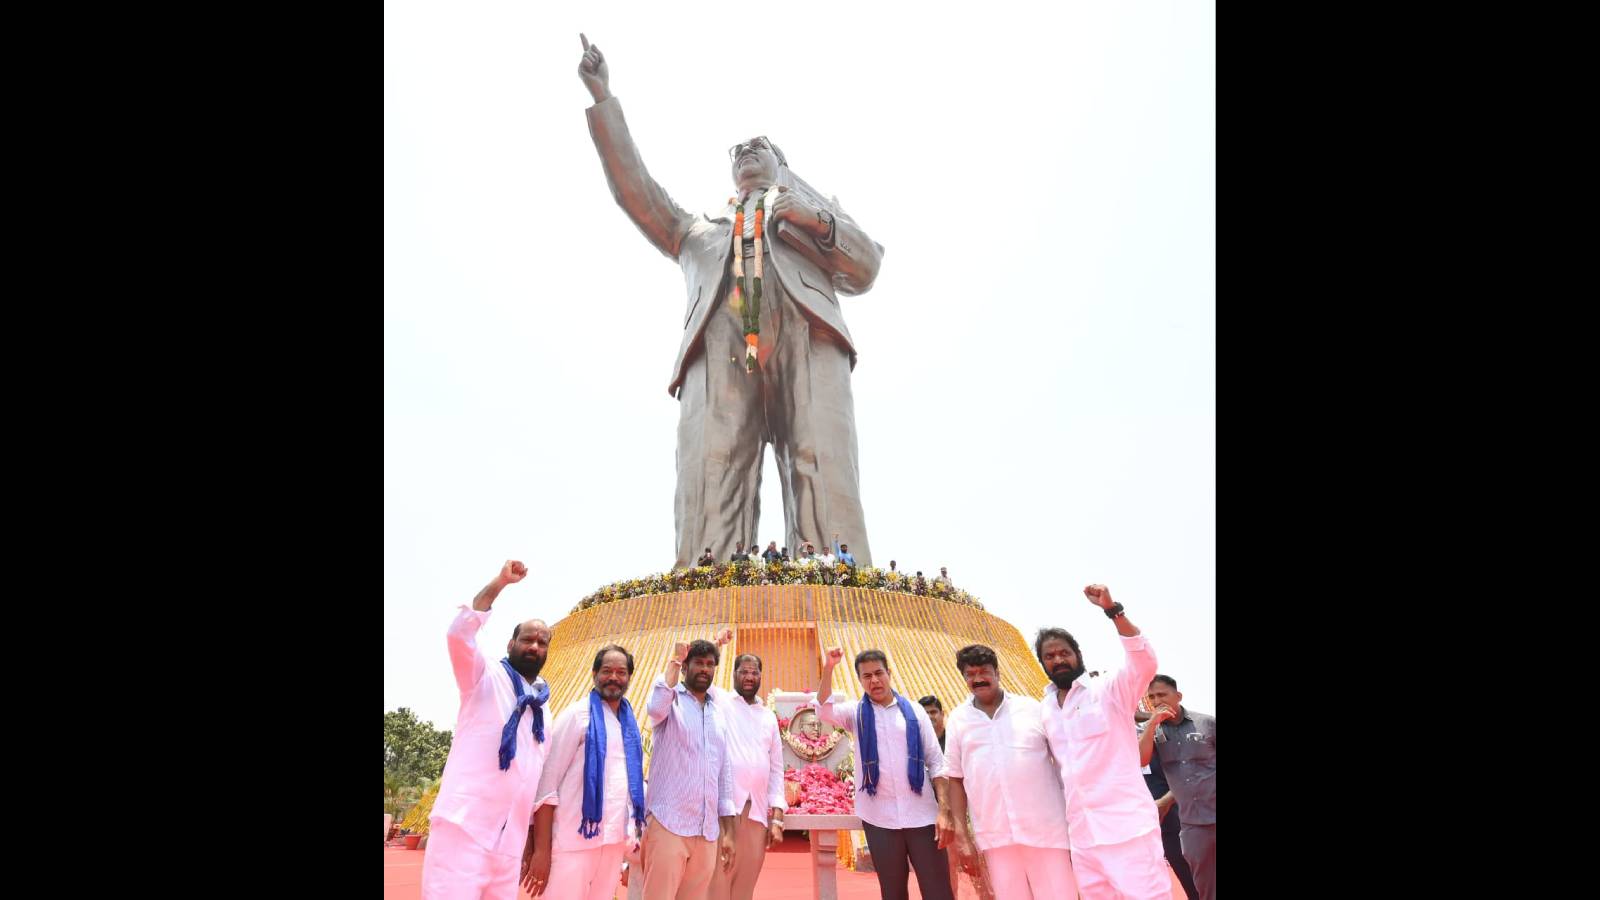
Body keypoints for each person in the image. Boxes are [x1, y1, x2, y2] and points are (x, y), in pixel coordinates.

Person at [578, 35, 884, 570]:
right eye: (737, 151)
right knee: (710, 471)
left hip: (807, 333)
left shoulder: (807, 215)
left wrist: (818, 221)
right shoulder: (696, 231)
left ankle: (838, 578)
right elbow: (636, 192)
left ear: (781, 164)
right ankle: (704, 586)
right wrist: (604, 100)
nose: (744, 153)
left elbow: (866, 267)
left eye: (757, 147)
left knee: (821, 462)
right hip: (719, 342)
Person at [423, 560, 553, 900]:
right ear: (511, 644)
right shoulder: (483, 677)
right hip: (464, 830)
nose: (535, 647)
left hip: (508, 843)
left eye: (542, 642)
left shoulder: (543, 708)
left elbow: (534, 779)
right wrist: (500, 583)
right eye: (528, 639)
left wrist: (531, 843)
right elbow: (459, 634)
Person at [1035, 585, 1171, 900]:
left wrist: (1114, 612)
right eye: (1049, 656)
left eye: (1064, 653)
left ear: (1078, 655)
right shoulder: (1046, 709)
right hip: (1084, 837)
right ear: (1043, 663)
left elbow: (1145, 662)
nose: (1058, 660)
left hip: (1128, 832)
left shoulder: (1109, 690)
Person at [817, 647, 955, 900]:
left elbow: (937, 762)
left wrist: (944, 811)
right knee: (892, 894)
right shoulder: (855, 712)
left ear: (889, 673)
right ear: (860, 681)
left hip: (922, 816)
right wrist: (829, 667)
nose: (875, 680)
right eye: (867, 676)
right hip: (879, 819)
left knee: (939, 892)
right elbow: (823, 711)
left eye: (879, 673)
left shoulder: (914, 711)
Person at [944, 644, 1074, 900]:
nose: (978, 678)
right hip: (996, 835)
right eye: (970, 674)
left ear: (997, 672)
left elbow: (1064, 763)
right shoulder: (958, 719)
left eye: (984, 671)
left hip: (1046, 829)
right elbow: (955, 780)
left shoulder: (1033, 709)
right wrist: (962, 837)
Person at [522, 645, 645, 900]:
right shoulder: (577, 715)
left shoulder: (630, 725)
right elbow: (547, 785)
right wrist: (541, 851)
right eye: (607, 671)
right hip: (572, 842)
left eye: (621, 672)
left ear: (629, 678)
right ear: (594, 674)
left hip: (612, 843)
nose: (614, 677)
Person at [642, 638, 738, 898]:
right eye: (698, 663)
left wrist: (728, 832)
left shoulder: (717, 713)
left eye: (710, 664)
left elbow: (724, 773)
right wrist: (674, 661)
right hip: (669, 822)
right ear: (685, 667)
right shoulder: (670, 699)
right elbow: (654, 708)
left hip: (706, 830)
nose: (705, 669)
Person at [708, 651, 786, 900]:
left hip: (757, 813)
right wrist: (717, 644)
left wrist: (777, 819)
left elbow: (776, 768)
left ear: (761, 676)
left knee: (745, 886)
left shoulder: (768, 717)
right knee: (718, 882)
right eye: (744, 672)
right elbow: (697, 675)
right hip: (725, 811)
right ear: (733, 674)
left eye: (755, 672)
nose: (749, 677)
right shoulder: (721, 701)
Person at [1139, 676, 1214, 900]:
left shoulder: (1207, 723)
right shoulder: (1152, 732)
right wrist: (1152, 724)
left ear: (1178, 696)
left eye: (1162, 694)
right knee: (1204, 886)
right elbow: (1141, 760)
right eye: (1152, 697)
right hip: (1193, 826)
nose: (1157, 700)